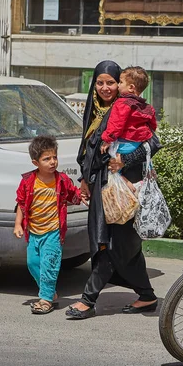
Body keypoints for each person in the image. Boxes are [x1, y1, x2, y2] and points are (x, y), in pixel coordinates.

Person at [65, 60, 158, 320]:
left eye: (111, 82)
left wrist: (125, 160)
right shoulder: (95, 113)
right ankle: (147, 295)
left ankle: (87, 300)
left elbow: (154, 143)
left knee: (113, 245)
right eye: (100, 82)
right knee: (120, 246)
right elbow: (88, 152)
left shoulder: (129, 109)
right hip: (101, 188)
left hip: (125, 187)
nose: (105, 88)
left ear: (121, 84)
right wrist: (85, 180)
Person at [14, 135, 87, 315]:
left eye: (54, 157)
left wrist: (83, 197)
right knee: (32, 263)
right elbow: (21, 204)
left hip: (53, 231)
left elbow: (73, 194)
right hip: (34, 232)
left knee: (49, 264)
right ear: (35, 162)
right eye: (47, 159)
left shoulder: (61, 180)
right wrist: (18, 224)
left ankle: (45, 300)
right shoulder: (28, 181)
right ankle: (49, 292)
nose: (52, 162)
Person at [99, 66, 157, 157]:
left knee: (114, 168)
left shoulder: (122, 103)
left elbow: (116, 124)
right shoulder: (148, 107)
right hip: (141, 144)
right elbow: (153, 126)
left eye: (121, 82)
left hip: (124, 144)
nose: (118, 85)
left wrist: (107, 140)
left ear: (131, 87)